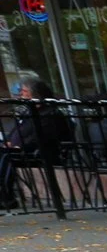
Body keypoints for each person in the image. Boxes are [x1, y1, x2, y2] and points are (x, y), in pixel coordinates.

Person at [1, 76, 70, 212]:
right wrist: (8, 142)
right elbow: (16, 132)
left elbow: (41, 136)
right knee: (4, 153)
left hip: (41, 152)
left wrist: (19, 146)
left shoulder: (50, 113)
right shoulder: (28, 113)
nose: (21, 95)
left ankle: (5, 196)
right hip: (19, 150)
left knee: (6, 157)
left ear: (36, 94)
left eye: (25, 92)